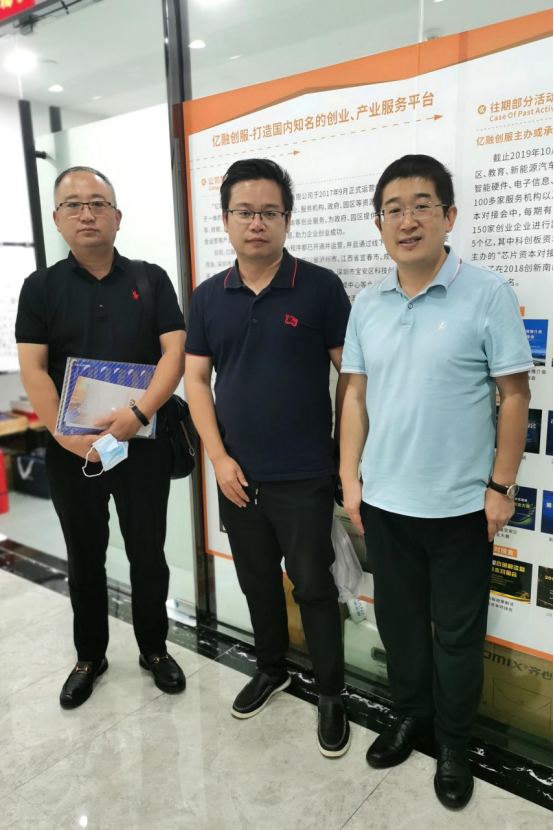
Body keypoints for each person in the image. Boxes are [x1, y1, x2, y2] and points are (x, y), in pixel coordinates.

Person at [340, 155, 532, 807]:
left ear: (449, 216)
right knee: (399, 626)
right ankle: (410, 716)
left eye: (422, 205)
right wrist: (350, 480)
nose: (407, 220)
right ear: (379, 224)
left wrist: (500, 486)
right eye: (393, 209)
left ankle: (453, 743)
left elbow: (514, 394)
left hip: (459, 509)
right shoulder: (368, 303)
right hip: (385, 504)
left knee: (456, 636)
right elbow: (355, 396)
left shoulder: (487, 292)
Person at [185, 158, 352, 757]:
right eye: (245, 212)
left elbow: (351, 378)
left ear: (286, 218)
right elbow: (195, 381)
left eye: (269, 212)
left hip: (305, 474)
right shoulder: (208, 296)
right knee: (257, 581)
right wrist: (218, 458)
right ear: (226, 219)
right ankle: (272, 668)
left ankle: (331, 692)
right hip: (236, 475)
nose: (257, 223)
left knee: (314, 585)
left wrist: (344, 458)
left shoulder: (320, 287)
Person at [16, 166, 187, 708]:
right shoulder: (40, 287)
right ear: (57, 218)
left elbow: (175, 353)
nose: (86, 213)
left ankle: (155, 649)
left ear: (117, 216)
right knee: (84, 556)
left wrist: (139, 413)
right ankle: (90, 656)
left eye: (97, 203)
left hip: (142, 445)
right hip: (73, 451)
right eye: (73, 204)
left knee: (148, 553)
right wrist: (67, 437)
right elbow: (34, 369)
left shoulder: (150, 279)